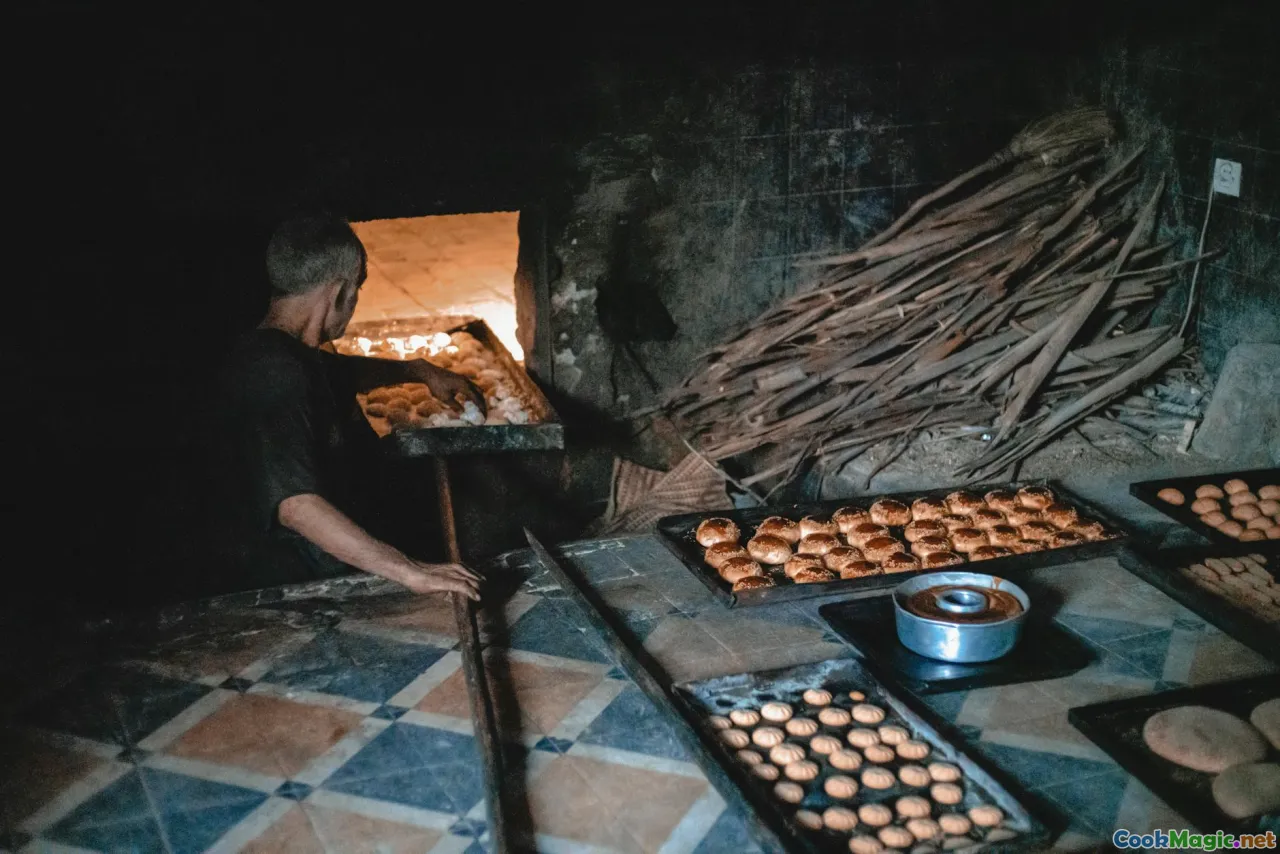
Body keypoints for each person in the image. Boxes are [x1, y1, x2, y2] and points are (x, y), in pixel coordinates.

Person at [215, 213, 483, 599]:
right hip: (291, 583)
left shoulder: (287, 352)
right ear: (340, 292)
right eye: (358, 289)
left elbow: (341, 372)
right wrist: (409, 571)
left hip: (317, 562)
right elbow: (297, 506)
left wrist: (419, 370)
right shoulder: (271, 374)